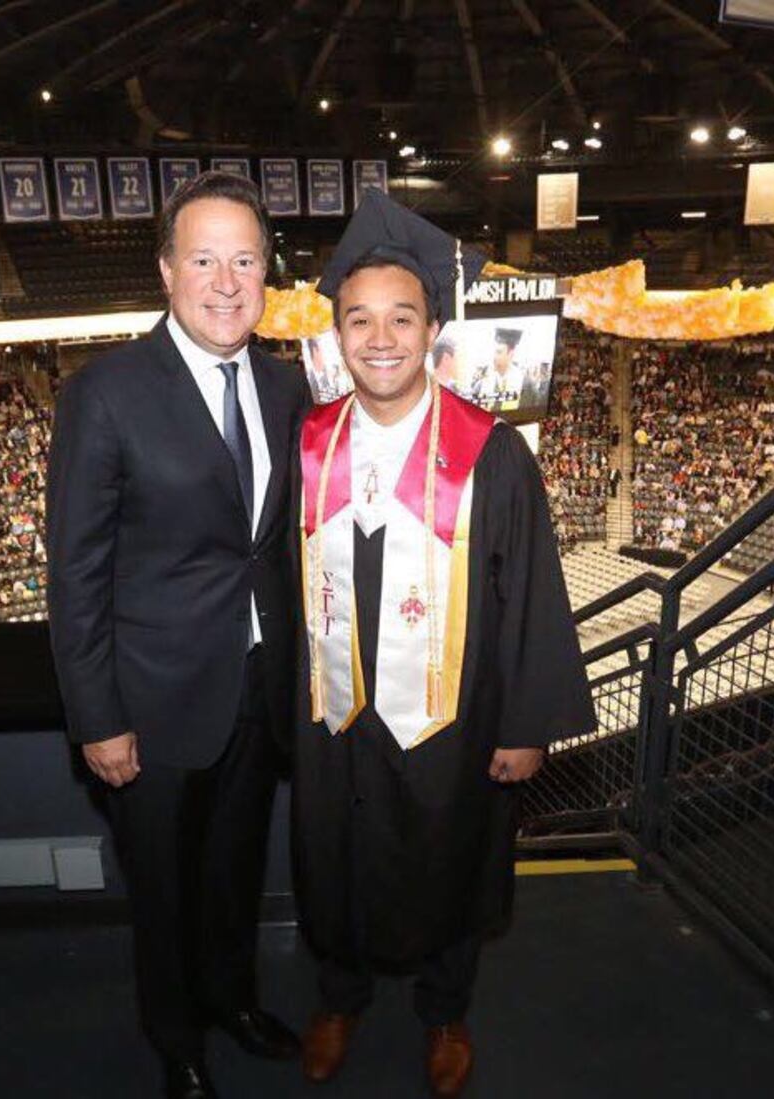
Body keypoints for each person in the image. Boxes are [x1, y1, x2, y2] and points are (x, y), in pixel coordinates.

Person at [291, 190, 595, 1096]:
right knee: (333, 857)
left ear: (433, 331)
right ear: (337, 334)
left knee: (450, 856)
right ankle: (340, 997)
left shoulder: (492, 454)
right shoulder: (309, 444)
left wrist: (525, 722)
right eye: (359, 319)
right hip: (334, 716)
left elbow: (531, 592)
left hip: (451, 721)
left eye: (401, 317)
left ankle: (445, 1010)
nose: (379, 338)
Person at [46, 171, 308, 1099]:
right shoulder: (105, 393)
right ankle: (177, 1039)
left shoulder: (285, 387)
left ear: (267, 275)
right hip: (149, 705)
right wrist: (96, 715)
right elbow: (75, 573)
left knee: (236, 866)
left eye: (246, 259)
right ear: (166, 271)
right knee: (160, 888)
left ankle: (233, 998)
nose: (227, 280)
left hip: (257, 687)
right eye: (204, 258)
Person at [472, 326, 525, 411]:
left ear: (511, 354)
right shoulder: (481, 386)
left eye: (499, 352)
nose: (494, 357)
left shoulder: (525, 384)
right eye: (494, 352)